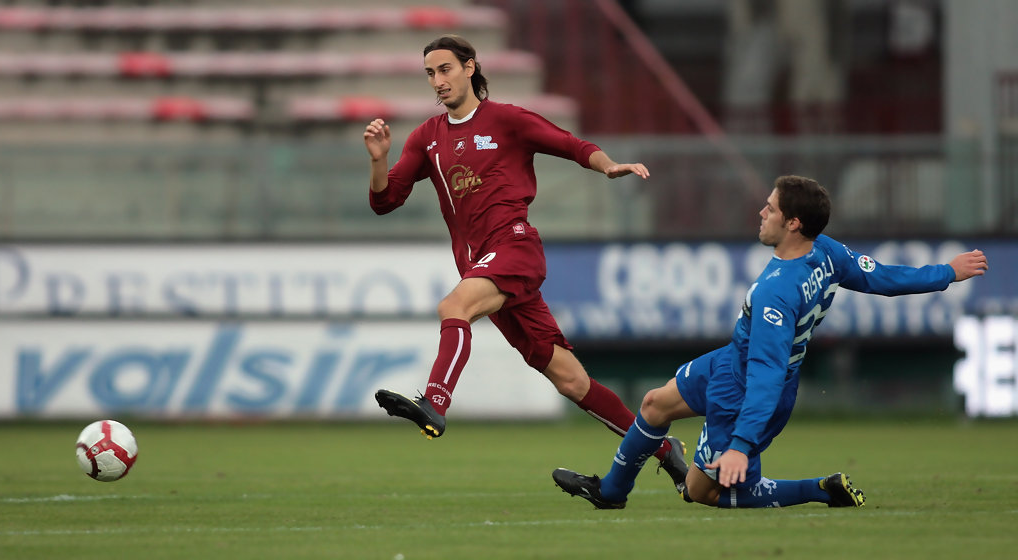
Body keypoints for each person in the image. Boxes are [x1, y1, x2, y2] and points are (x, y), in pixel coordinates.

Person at [362, 34, 688, 487]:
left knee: (453, 307)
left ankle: (435, 402)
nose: (437, 81)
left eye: (445, 70)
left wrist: (608, 165)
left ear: (470, 68)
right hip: (485, 267)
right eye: (430, 74)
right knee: (573, 383)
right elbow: (385, 200)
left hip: (515, 248)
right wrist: (379, 162)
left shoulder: (507, 120)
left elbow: (570, 144)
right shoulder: (427, 138)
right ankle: (665, 450)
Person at [552, 175, 989, 509]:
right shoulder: (826, 252)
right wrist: (946, 272)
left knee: (699, 492)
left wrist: (741, 444)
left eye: (770, 209)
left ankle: (818, 490)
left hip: (745, 390)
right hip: (730, 362)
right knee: (654, 404)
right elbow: (883, 277)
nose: (762, 213)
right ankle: (611, 492)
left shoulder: (775, 294)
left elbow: (767, 373)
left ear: (793, 223)